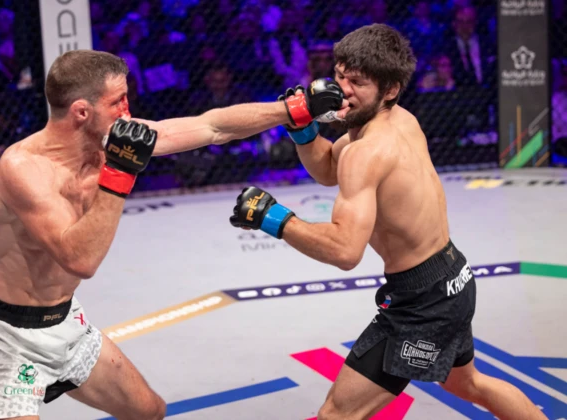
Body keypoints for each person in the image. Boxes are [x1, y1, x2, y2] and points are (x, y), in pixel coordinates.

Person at [0, 49, 346, 420]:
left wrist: (291, 109)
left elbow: (214, 126)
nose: (128, 111)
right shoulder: (25, 169)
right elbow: (79, 258)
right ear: (82, 111)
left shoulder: (111, 140)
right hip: (10, 338)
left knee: (149, 411)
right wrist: (119, 174)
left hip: (65, 322)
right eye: (118, 101)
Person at [228, 24, 547, 420]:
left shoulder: (370, 150)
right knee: (469, 385)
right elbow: (329, 168)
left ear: (390, 88)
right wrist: (304, 130)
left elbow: (345, 251)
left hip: (424, 302)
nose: (341, 89)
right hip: (452, 278)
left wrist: (274, 218)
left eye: (357, 82)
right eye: (340, 75)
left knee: (337, 414)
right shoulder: (394, 121)